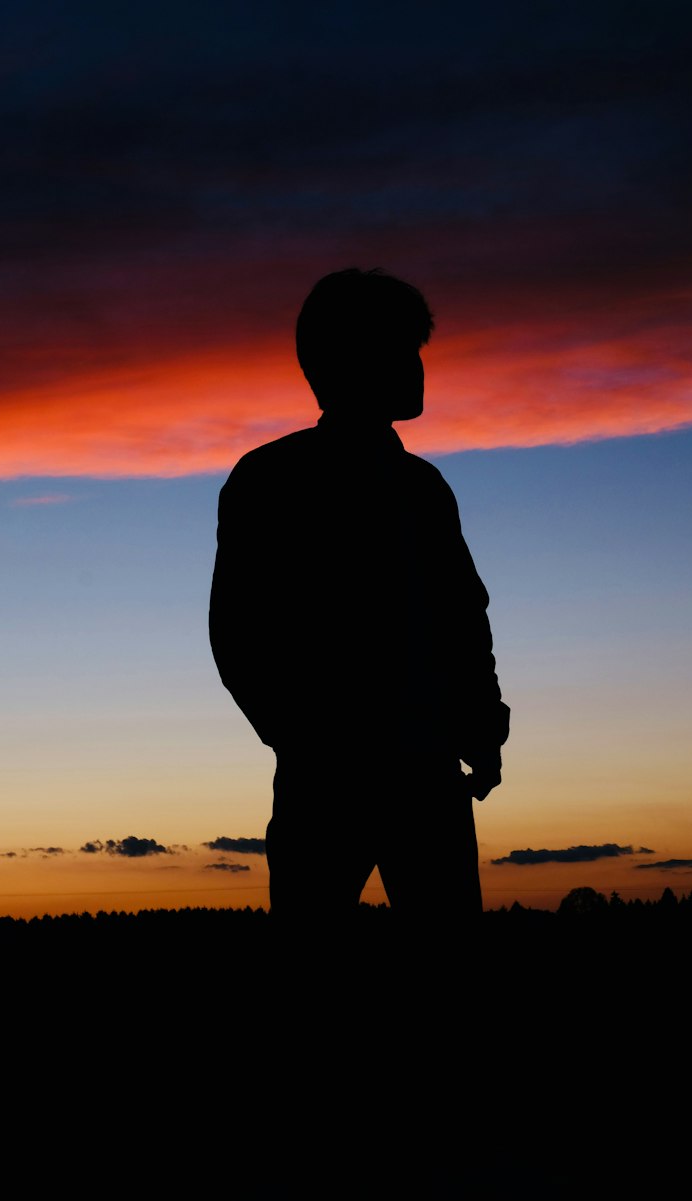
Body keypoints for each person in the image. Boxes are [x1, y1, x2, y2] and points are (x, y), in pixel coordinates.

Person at [209, 268, 509, 918]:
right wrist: (303, 739)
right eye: (403, 351)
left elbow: (462, 618)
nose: (418, 368)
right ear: (352, 361)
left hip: (418, 774)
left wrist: (481, 730)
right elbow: (239, 632)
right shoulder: (272, 482)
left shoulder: (422, 489)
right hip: (335, 778)